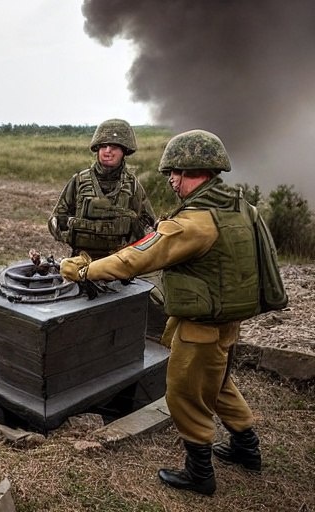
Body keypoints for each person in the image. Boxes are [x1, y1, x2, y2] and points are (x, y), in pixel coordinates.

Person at [60, 129, 263, 496]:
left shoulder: (193, 223)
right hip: (227, 319)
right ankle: (246, 447)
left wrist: (87, 270)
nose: (171, 180)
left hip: (200, 325)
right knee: (217, 383)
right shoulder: (239, 207)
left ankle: (199, 473)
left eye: (175, 173)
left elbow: (134, 258)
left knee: (183, 392)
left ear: (194, 172)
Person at [48, 118, 156, 260]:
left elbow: (148, 224)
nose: (107, 151)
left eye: (114, 147)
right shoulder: (79, 181)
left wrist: (131, 233)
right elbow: (56, 219)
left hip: (119, 262)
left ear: (124, 151)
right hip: (82, 260)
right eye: (103, 146)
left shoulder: (132, 185)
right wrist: (69, 229)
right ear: (97, 149)